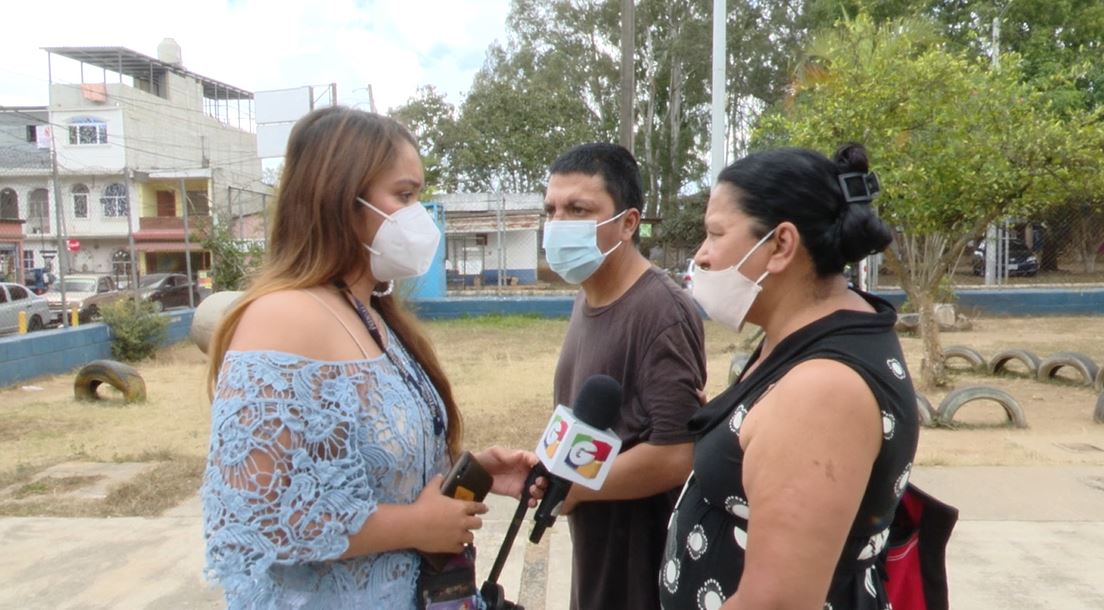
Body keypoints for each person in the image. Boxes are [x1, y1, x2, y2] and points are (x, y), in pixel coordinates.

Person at [201, 107, 540, 609]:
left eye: (418, 196)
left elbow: (377, 466)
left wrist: (474, 472)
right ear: (341, 197)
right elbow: (253, 516)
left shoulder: (370, 312)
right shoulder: (284, 316)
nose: (416, 215)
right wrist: (415, 526)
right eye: (403, 196)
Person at [659, 144, 918, 609]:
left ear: (780, 245)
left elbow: (776, 602)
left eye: (715, 234)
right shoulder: (804, 334)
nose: (701, 256)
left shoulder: (822, 392)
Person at [542, 143, 706, 609]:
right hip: (597, 558)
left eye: (579, 210)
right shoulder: (586, 296)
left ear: (628, 222)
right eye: (551, 210)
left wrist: (572, 488)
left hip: (642, 572)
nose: (558, 225)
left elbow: (676, 454)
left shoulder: (661, 311)